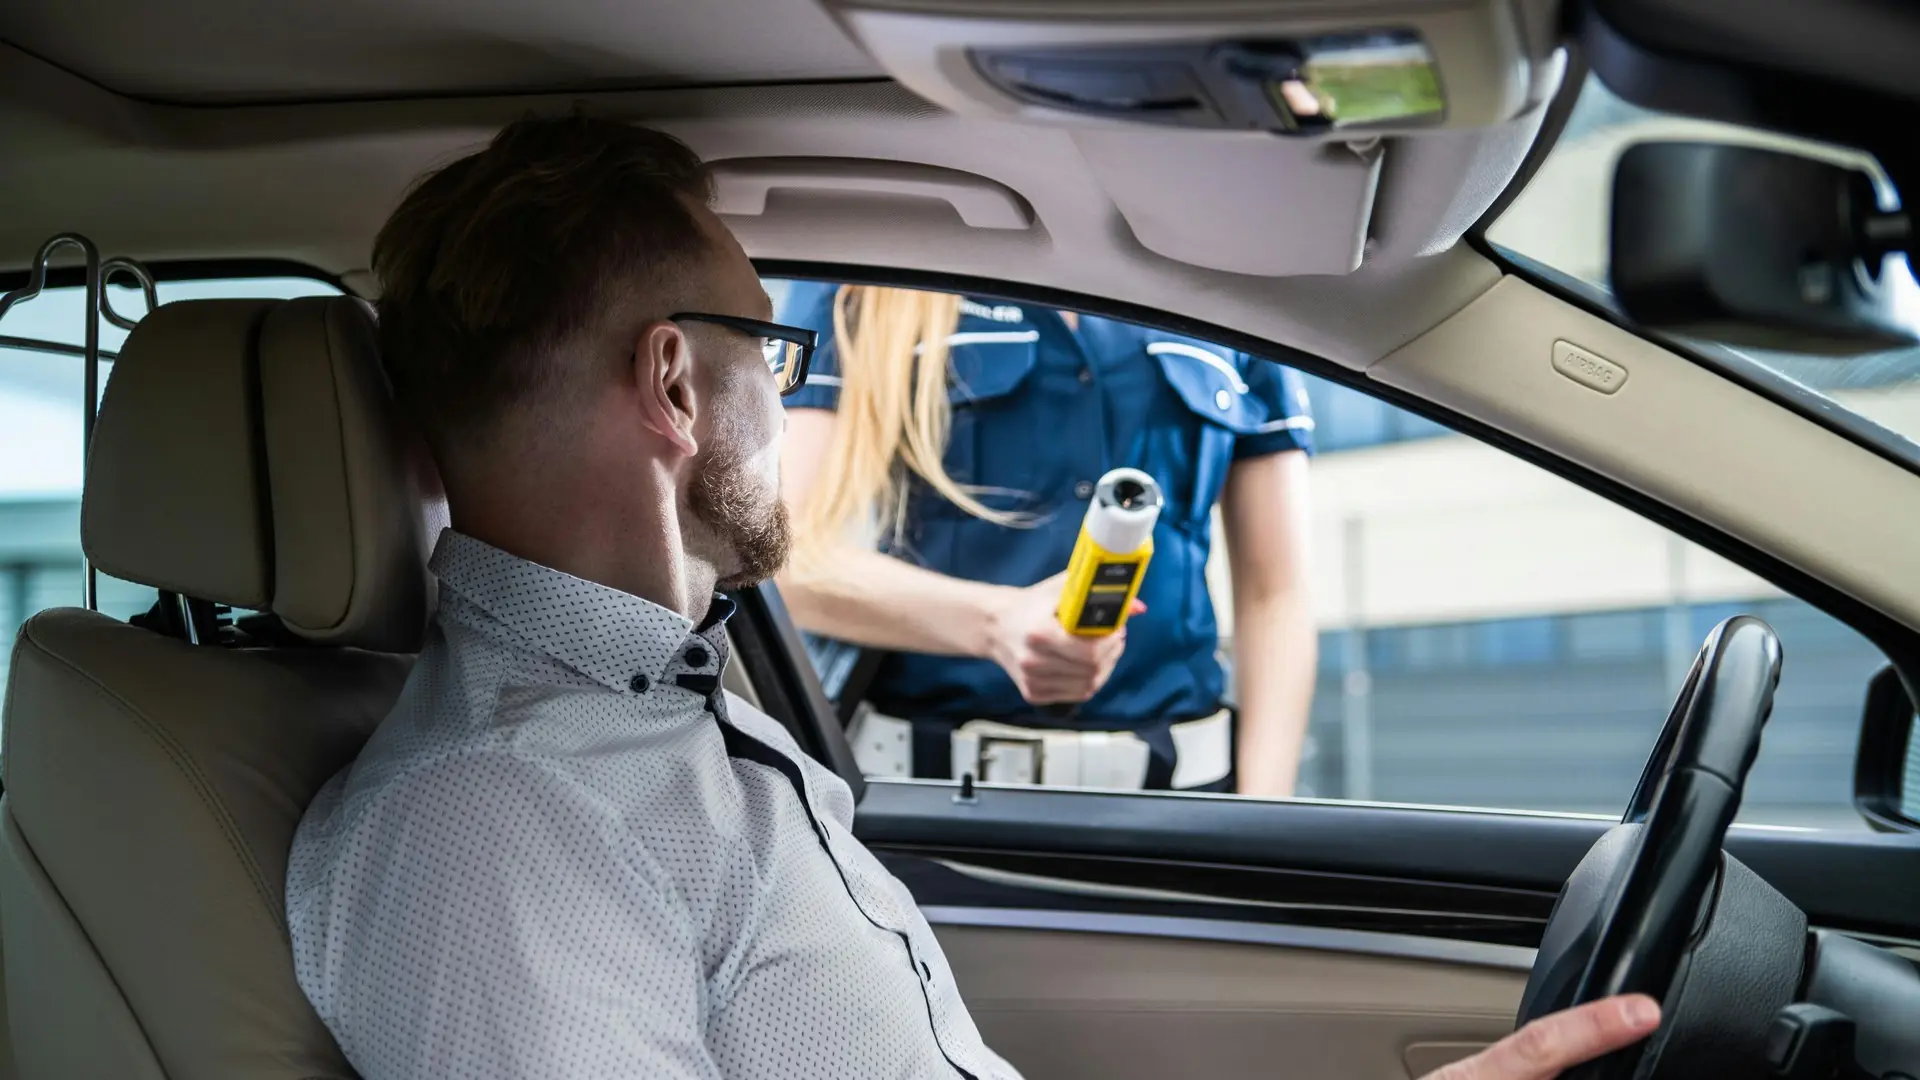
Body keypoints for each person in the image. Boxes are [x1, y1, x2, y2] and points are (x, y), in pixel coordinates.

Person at [285, 114, 1660, 1080]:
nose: (790, 383)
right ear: (673, 383)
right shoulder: (492, 822)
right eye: (772, 340)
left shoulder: (666, 720)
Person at [776, 283, 1319, 795]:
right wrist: (994, 625)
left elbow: (1277, 594)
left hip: (1187, 804)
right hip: (934, 813)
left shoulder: (1236, 289)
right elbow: (785, 560)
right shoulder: (873, 279)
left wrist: (1266, 811)